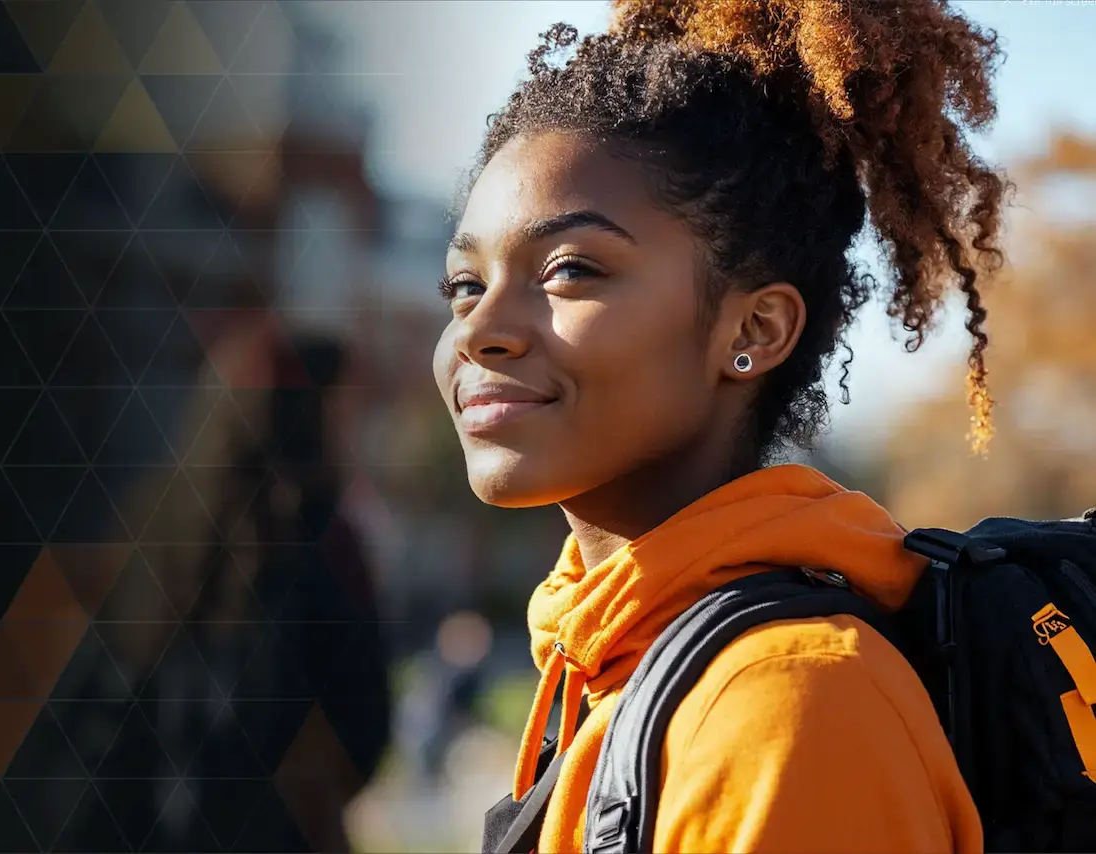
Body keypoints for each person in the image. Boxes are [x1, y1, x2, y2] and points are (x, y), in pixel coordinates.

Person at [431, 1, 1007, 851]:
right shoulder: (601, 657)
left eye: (570, 269)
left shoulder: (789, 706)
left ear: (754, 331)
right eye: (464, 284)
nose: (480, 330)